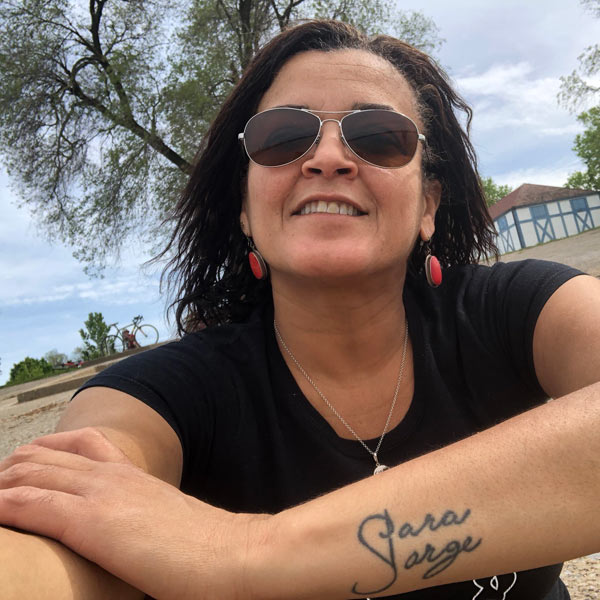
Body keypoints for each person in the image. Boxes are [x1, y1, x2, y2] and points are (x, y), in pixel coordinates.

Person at [0, 20, 599, 600]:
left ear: (428, 207)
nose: (329, 158)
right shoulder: (168, 394)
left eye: (380, 137)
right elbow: (58, 536)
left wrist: (240, 554)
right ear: (244, 207)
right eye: (283, 136)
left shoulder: (519, 311)